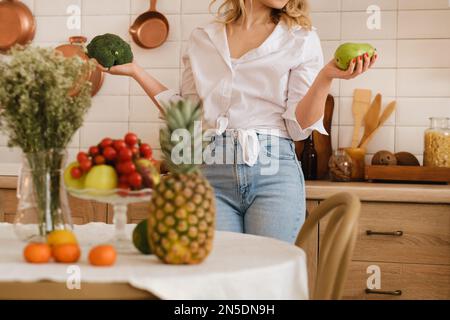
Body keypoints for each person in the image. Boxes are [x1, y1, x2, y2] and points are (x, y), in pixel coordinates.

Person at [103, 0, 377, 243]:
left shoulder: (300, 39)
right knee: (220, 278)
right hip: (210, 173)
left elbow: (298, 127)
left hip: (273, 172)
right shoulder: (203, 38)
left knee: (267, 279)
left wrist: (325, 77)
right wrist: (136, 72)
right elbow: (187, 115)